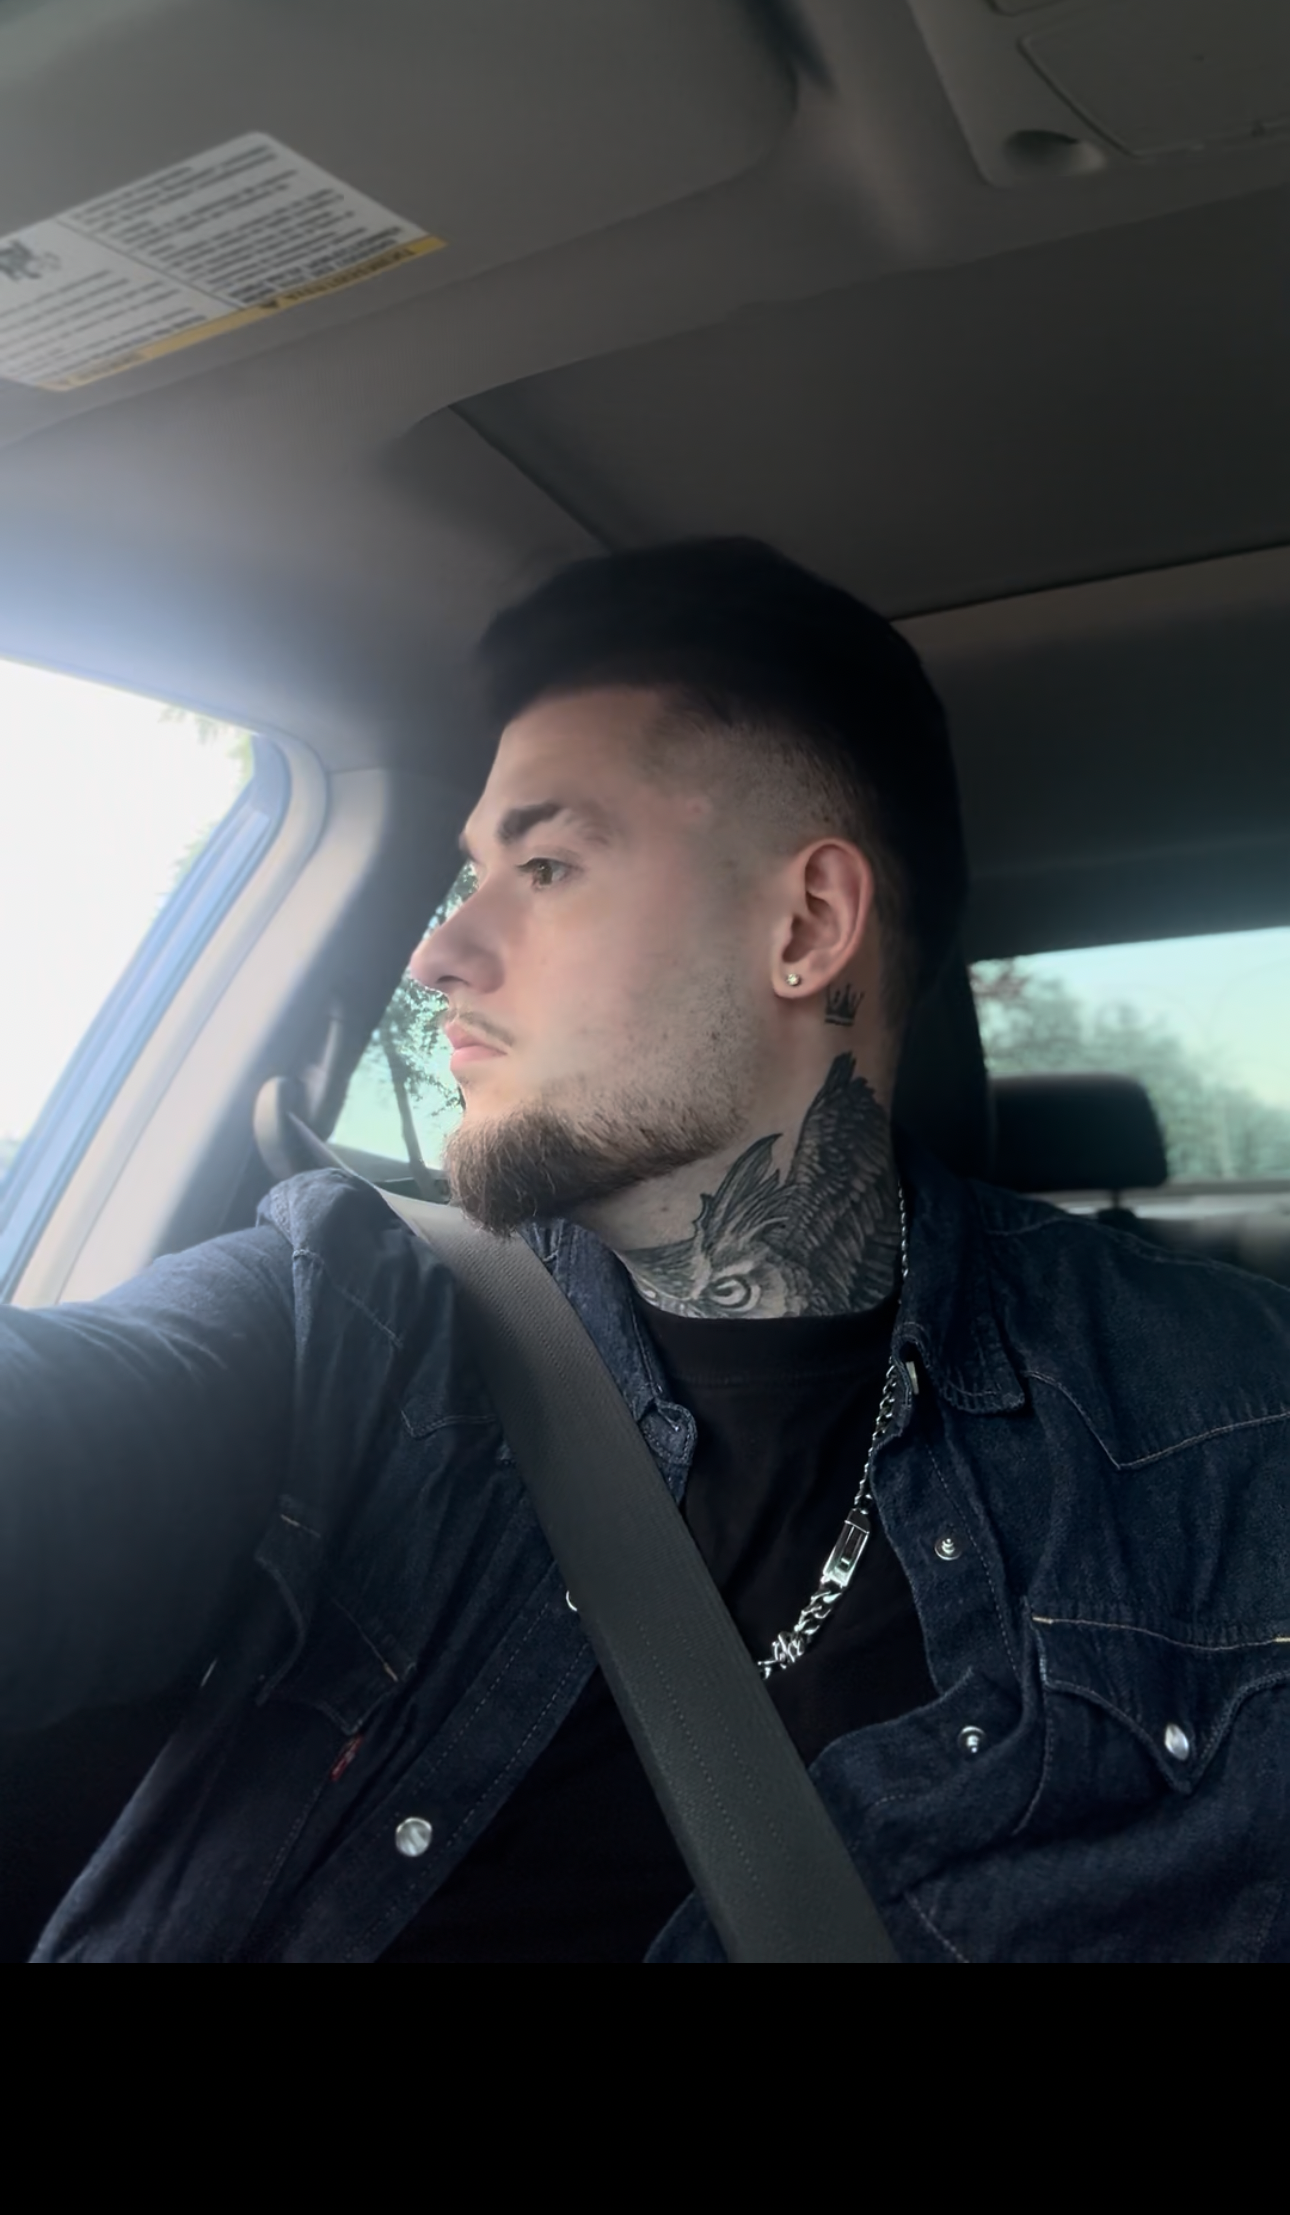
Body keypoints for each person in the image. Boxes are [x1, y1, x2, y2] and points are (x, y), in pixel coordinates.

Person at [3, 538, 1288, 1963]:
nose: (440, 954)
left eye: (546, 864)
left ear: (805, 924)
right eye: (473, 873)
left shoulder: (1222, 1424)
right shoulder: (345, 1315)